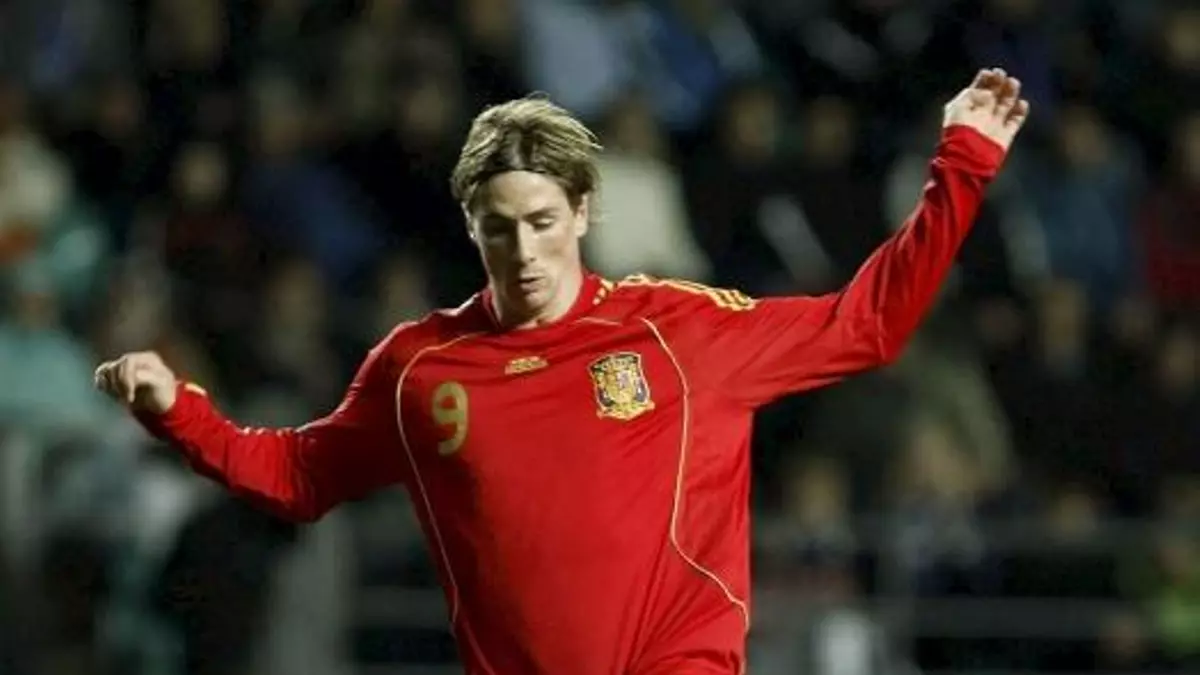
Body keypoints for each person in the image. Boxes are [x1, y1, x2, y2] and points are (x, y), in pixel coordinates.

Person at [95, 68, 1030, 675]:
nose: (524, 251)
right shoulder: (421, 369)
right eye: (498, 227)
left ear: (582, 212)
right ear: (472, 227)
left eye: (542, 222)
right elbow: (301, 477)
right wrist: (180, 411)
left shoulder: (679, 332)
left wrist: (963, 163)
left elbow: (869, 324)